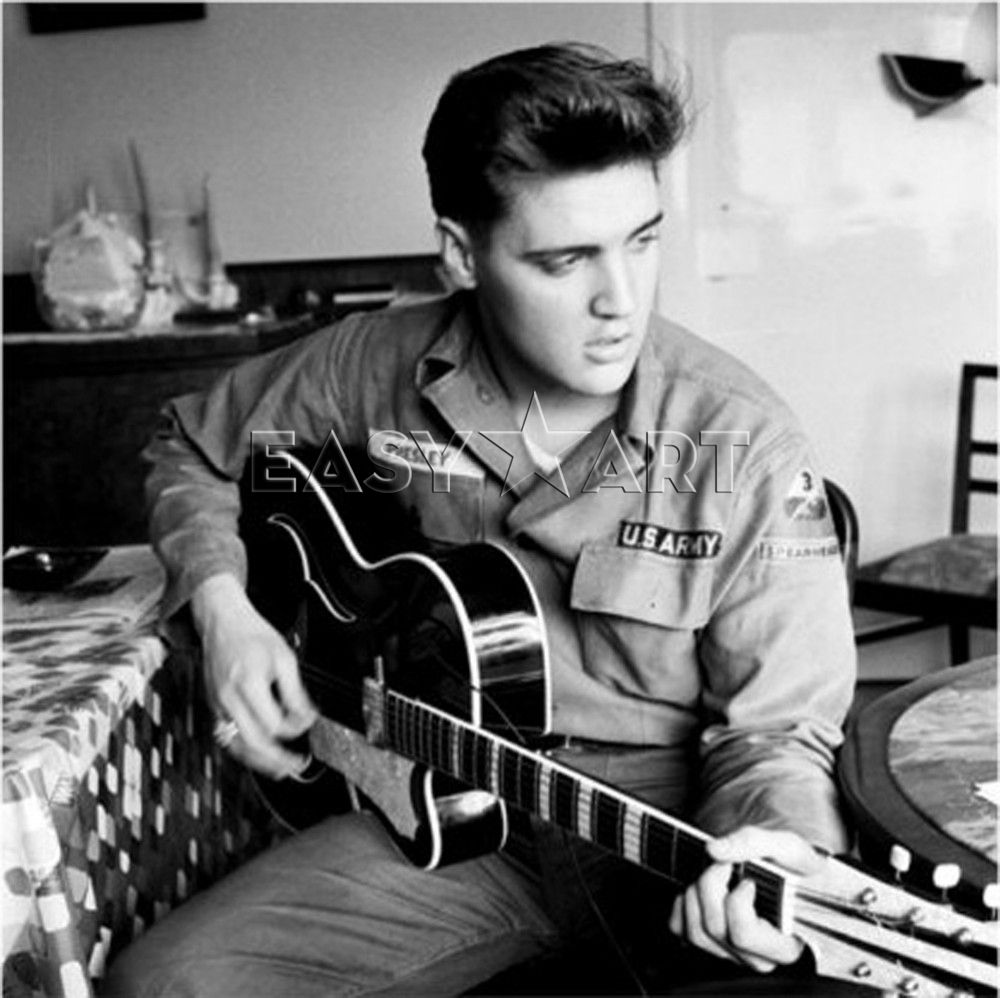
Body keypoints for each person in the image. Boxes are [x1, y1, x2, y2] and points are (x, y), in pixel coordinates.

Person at [105, 42, 862, 997]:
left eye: (642, 241)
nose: (621, 301)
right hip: (441, 806)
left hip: (665, 823)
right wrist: (225, 613)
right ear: (462, 255)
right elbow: (193, 447)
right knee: (164, 985)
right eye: (565, 260)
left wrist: (776, 849)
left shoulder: (745, 439)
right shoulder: (367, 362)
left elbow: (779, 735)